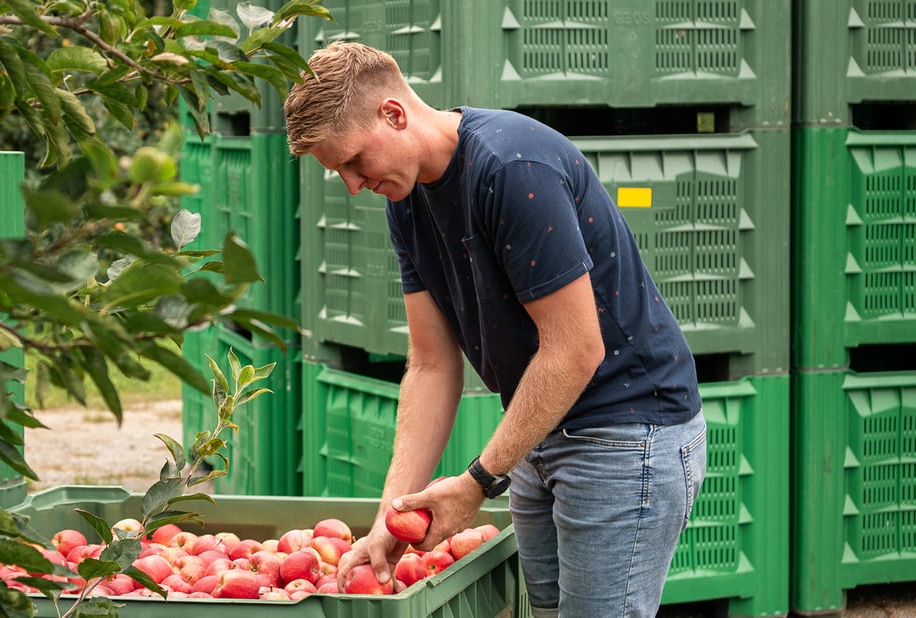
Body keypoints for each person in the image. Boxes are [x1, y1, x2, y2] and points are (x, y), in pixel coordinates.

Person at [283, 42, 707, 617]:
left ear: (393, 113)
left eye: (355, 161)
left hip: (626, 432)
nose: (353, 184)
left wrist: (479, 479)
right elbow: (431, 363)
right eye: (339, 173)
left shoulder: (511, 167)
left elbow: (576, 350)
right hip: (539, 430)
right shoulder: (405, 201)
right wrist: (391, 515)